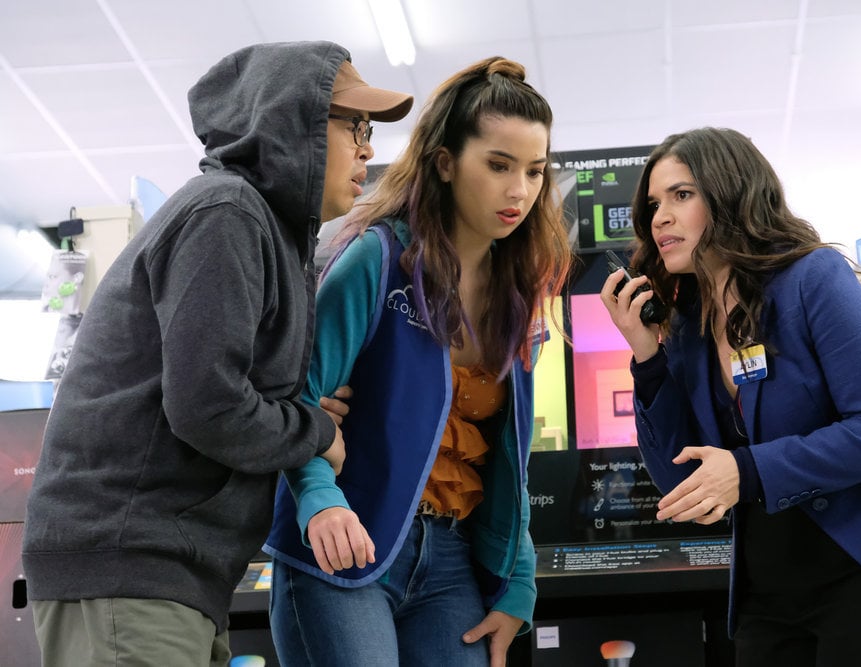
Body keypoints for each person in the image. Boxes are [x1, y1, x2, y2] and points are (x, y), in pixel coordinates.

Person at [22, 41, 413, 666]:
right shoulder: (226, 214)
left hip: (173, 572)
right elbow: (207, 405)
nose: (369, 147)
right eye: (353, 125)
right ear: (294, 122)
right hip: (128, 563)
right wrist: (315, 432)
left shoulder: (271, 231)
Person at [600, 127, 861, 667]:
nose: (659, 217)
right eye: (653, 204)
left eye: (682, 195)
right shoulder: (689, 325)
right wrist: (647, 357)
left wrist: (748, 470)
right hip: (773, 594)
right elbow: (680, 481)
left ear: (731, 193)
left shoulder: (814, 278)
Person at [263, 56, 572, 667]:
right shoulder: (375, 261)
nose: (520, 191)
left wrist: (518, 581)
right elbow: (298, 399)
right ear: (445, 163)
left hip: (455, 564)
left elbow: (510, 453)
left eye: (535, 172)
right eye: (499, 165)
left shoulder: (520, 294)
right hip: (347, 545)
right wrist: (319, 499)